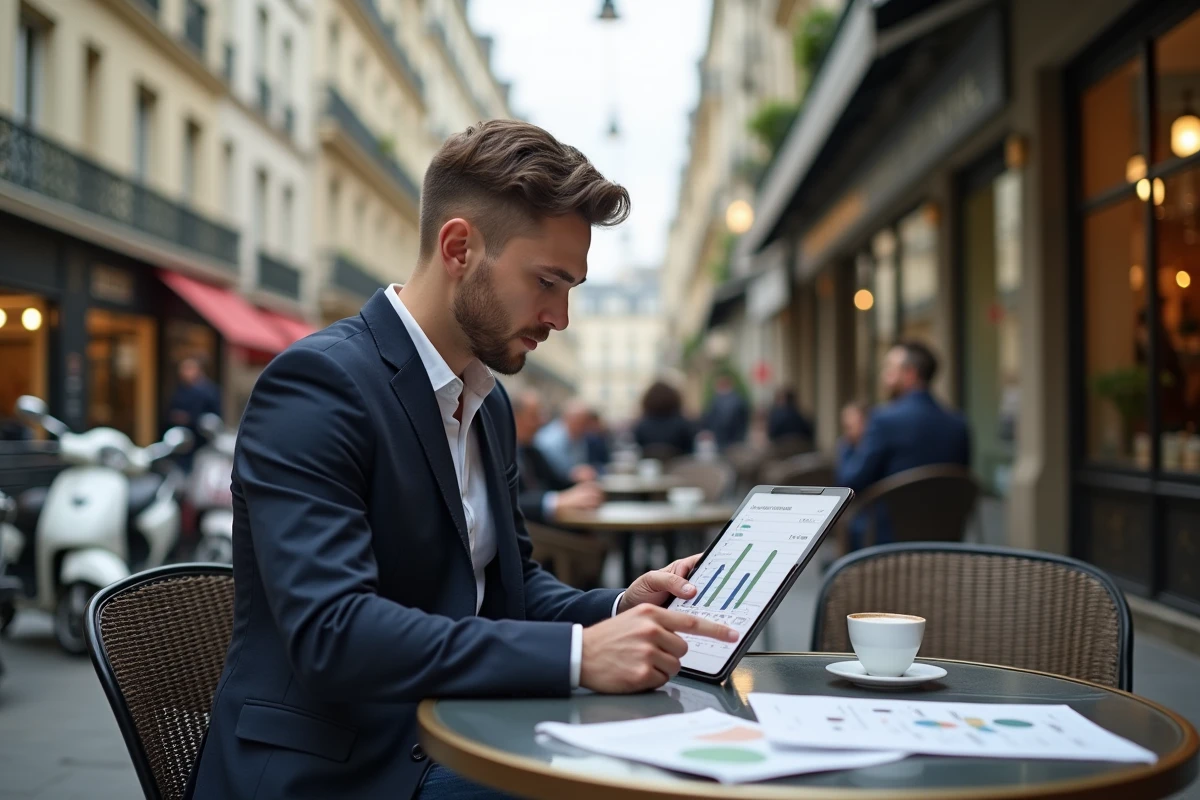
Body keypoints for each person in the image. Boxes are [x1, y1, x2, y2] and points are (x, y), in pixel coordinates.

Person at [186, 120, 738, 800]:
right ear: (459, 248)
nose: (560, 316)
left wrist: (620, 607)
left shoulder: (488, 401)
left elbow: (510, 587)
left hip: (453, 732)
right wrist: (577, 656)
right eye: (547, 281)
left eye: (571, 287)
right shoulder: (318, 386)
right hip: (337, 770)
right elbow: (334, 633)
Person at [836, 341, 971, 550]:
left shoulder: (883, 420)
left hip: (887, 543)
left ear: (910, 374)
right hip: (945, 539)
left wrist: (846, 444)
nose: (884, 376)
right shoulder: (959, 424)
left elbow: (851, 482)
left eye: (890, 368)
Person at [513, 389, 604, 525]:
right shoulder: (500, 452)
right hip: (535, 532)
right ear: (513, 417)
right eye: (534, 416)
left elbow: (555, 482)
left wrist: (581, 488)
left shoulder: (531, 449)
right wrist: (555, 501)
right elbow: (509, 501)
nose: (541, 421)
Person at [165, 356, 221, 470]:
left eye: (188, 369)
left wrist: (190, 418)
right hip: (182, 440)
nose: (184, 373)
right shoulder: (181, 389)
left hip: (201, 441)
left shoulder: (209, 391)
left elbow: (213, 416)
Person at [533, 398, 597, 482]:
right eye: (582, 421)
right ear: (570, 418)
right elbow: (553, 475)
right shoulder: (550, 440)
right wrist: (574, 474)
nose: (586, 426)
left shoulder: (579, 437)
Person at [633, 380, 696, 458]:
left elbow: (637, 449)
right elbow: (690, 451)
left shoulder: (641, 426)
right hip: (678, 465)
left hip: (649, 464)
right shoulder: (683, 425)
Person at [702, 372, 749, 450]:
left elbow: (711, 419)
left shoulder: (718, 401)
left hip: (723, 440)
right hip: (736, 441)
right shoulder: (739, 399)